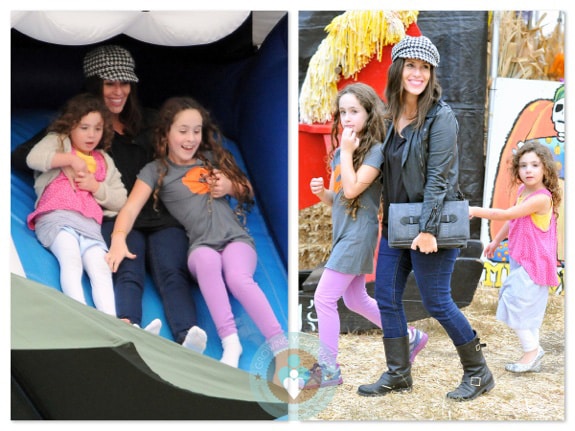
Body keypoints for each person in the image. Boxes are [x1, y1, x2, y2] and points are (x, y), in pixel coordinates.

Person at [12, 45, 207, 350]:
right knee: (125, 267)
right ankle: (131, 329)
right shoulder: (82, 126)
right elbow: (24, 156)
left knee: (172, 270)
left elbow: (194, 143)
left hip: (157, 213)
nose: (118, 91)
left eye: (124, 83)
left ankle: (187, 336)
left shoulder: (150, 122)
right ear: (94, 85)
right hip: (115, 216)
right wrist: (68, 163)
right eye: (110, 84)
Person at [357, 35, 494, 401]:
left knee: (437, 303)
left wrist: (429, 230)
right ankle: (398, 374)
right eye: (411, 65)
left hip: (430, 226)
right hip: (396, 224)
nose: (417, 73)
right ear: (399, 69)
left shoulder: (441, 117)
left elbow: (440, 177)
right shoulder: (387, 116)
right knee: (386, 296)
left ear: (431, 74)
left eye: (425, 67)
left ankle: (479, 373)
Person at [105, 96, 286, 368]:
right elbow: (130, 209)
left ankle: (281, 346)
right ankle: (230, 344)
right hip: (201, 245)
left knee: (238, 277)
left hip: (235, 240)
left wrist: (229, 186)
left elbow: (246, 189)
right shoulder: (156, 170)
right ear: (166, 132)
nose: (190, 138)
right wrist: (118, 239)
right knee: (206, 262)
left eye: (197, 131)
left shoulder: (211, 159)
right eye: (183, 130)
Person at [306, 83, 428, 389]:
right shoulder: (342, 152)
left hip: (359, 234)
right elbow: (343, 197)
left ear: (368, 113)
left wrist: (345, 154)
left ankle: (328, 369)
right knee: (355, 298)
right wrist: (324, 195)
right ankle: (409, 337)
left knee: (323, 298)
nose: (347, 117)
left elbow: (354, 188)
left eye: (354, 111)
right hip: (344, 231)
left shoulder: (375, 151)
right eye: (343, 112)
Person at [26, 93, 126, 316]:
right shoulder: (59, 142)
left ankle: (111, 322)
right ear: (70, 126)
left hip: (89, 225)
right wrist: (69, 159)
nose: (91, 135)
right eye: (84, 127)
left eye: (98, 129)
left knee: (101, 270)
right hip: (57, 216)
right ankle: (80, 315)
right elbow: (33, 158)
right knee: (71, 260)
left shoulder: (104, 160)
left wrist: (95, 187)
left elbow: (121, 200)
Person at [470, 140, 561, 373]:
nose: (528, 170)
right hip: (521, 257)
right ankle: (533, 352)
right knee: (524, 304)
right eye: (523, 166)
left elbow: (506, 213)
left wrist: (473, 211)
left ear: (545, 169)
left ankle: (532, 351)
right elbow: (514, 220)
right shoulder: (523, 191)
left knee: (515, 301)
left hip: (536, 262)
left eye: (534, 165)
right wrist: (497, 240)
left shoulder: (541, 198)